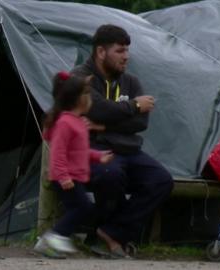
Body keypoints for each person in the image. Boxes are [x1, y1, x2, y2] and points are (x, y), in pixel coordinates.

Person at [71, 24, 173, 257]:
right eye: (120, 50)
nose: (126, 56)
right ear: (100, 52)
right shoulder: (79, 77)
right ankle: (105, 237)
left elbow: (141, 124)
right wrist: (134, 105)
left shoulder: (131, 82)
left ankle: (109, 232)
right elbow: (96, 107)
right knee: (111, 174)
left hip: (128, 150)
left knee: (161, 180)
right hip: (91, 149)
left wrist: (103, 124)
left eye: (127, 50)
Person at [34, 71, 114, 258]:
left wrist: (97, 156)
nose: (91, 99)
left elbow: (78, 151)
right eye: (87, 94)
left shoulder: (77, 122)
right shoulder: (65, 123)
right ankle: (54, 237)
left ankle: (50, 241)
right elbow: (58, 152)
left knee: (81, 208)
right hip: (66, 177)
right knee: (83, 208)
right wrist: (63, 176)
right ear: (78, 99)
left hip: (75, 176)